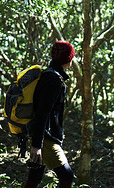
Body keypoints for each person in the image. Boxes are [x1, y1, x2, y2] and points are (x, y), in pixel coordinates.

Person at [24, 41, 76, 188]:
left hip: (43, 135)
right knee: (67, 175)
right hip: (45, 137)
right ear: (68, 58)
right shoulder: (52, 79)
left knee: (35, 176)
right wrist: (37, 145)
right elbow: (42, 113)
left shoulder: (51, 75)